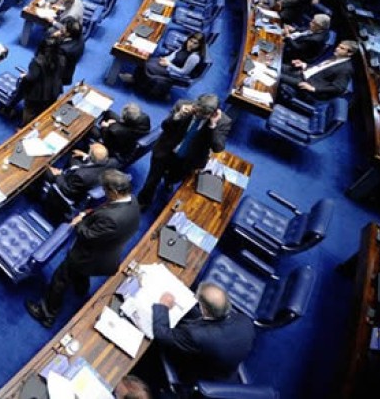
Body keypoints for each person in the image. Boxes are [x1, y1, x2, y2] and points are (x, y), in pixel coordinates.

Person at [26, 169, 140, 327]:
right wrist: (92, 213)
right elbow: (108, 212)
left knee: (60, 279)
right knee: (80, 275)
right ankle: (81, 289)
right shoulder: (132, 201)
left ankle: (47, 313)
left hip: (88, 258)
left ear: (114, 192)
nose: (104, 192)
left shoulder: (112, 219)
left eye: (105, 189)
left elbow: (87, 235)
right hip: (109, 252)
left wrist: (79, 221)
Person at [137, 94, 231, 209]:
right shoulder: (182, 105)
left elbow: (218, 147)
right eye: (197, 111)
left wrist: (212, 126)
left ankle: (168, 181)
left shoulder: (223, 122)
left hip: (188, 160)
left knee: (174, 178)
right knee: (152, 180)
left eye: (203, 115)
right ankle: (143, 201)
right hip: (165, 151)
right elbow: (165, 126)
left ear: (214, 114)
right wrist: (178, 116)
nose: (198, 115)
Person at [152, 282, 256, 384]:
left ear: (204, 309)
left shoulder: (197, 335)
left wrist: (163, 306)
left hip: (198, 373)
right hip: (224, 367)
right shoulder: (245, 321)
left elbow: (161, 334)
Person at [40, 142, 119, 216]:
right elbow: (99, 163)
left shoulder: (81, 176)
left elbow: (68, 190)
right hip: (85, 176)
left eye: (91, 148)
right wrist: (86, 156)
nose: (90, 145)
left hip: (70, 188)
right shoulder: (113, 162)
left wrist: (58, 175)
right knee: (73, 155)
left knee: (44, 170)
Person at [123, 32, 208, 97]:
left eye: (195, 43)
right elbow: (174, 55)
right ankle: (136, 79)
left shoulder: (194, 57)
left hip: (173, 72)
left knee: (147, 65)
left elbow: (183, 72)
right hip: (168, 65)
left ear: (199, 45)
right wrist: (165, 59)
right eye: (190, 41)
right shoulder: (185, 46)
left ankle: (137, 82)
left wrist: (168, 64)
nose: (191, 44)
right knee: (146, 60)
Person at [279, 40, 357, 103]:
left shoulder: (346, 69)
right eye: (338, 46)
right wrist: (305, 65)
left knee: (277, 75)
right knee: (279, 65)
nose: (337, 49)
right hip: (304, 74)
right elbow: (319, 69)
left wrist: (314, 89)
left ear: (350, 53)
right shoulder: (337, 56)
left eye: (342, 48)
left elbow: (338, 88)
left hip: (307, 84)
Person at [18, 35, 66, 125]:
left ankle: (25, 127)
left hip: (38, 94)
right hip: (54, 89)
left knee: (30, 111)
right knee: (44, 110)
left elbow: (31, 78)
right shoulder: (62, 58)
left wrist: (24, 76)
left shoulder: (37, 62)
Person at [56, 17, 85, 85]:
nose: (62, 28)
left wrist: (53, 37)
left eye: (64, 28)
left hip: (58, 75)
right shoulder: (79, 36)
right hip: (68, 69)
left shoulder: (64, 50)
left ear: (68, 33)